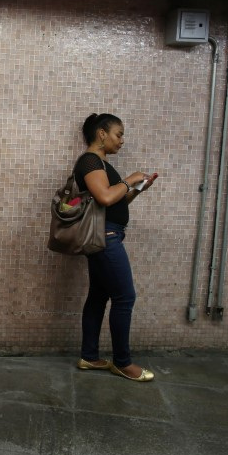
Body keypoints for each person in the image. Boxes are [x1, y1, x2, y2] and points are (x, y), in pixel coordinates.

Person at [73, 113, 158, 382]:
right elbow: (105, 196)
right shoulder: (90, 161)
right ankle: (123, 362)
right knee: (125, 297)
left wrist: (138, 189)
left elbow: (115, 203)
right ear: (101, 133)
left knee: (99, 296)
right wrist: (130, 179)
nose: (121, 140)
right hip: (105, 237)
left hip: (106, 234)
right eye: (118, 134)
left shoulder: (101, 164)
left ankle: (90, 356)